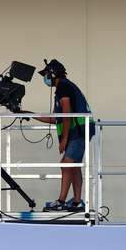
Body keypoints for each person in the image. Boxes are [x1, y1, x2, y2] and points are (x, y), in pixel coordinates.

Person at [30, 59, 94, 212]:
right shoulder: (65, 87)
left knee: (66, 164)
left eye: (46, 75)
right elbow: (56, 119)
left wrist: (64, 139)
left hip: (78, 132)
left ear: (52, 74)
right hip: (80, 131)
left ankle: (61, 201)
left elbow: (66, 114)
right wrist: (30, 114)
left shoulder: (63, 87)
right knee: (74, 167)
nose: (45, 78)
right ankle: (77, 202)